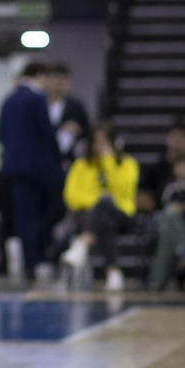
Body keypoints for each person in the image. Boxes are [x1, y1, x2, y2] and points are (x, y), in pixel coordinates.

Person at [0, 62, 63, 281]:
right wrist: (57, 158)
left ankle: (28, 263)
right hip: (37, 169)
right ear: (40, 75)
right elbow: (47, 133)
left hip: (14, 168)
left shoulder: (8, 100)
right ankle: (35, 259)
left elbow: (0, 133)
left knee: (23, 217)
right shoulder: (36, 99)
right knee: (46, 210)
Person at [59, 123, 139, 290]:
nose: (99, 146)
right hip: (90, 217)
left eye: (104, 142)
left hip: (122, 215)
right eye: (96, 142)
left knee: (106, 205)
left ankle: (82, 245)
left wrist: (109, 162)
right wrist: (97, 201)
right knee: (103, 217)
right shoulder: (81, 165)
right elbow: (71, 196)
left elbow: (125, 191)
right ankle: (113, 272)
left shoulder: (128, 164)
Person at [146, 155, 185, 291]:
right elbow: (163, 207)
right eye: (180, 165)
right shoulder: (170, 188)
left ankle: (156, 281)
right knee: (168, 227)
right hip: (171, 227)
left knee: (167, 233)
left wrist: (183, 210)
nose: (184, 169)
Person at [43, 61, 90, 160]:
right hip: (44, 156)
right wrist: (60, 129)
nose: (59, 83)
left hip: (68, 158)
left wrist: (77, 130)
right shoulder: (40, 104)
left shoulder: (75, 105)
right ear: (48, 80)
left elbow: (87, 129)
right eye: (56, 79)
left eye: (64, 79)